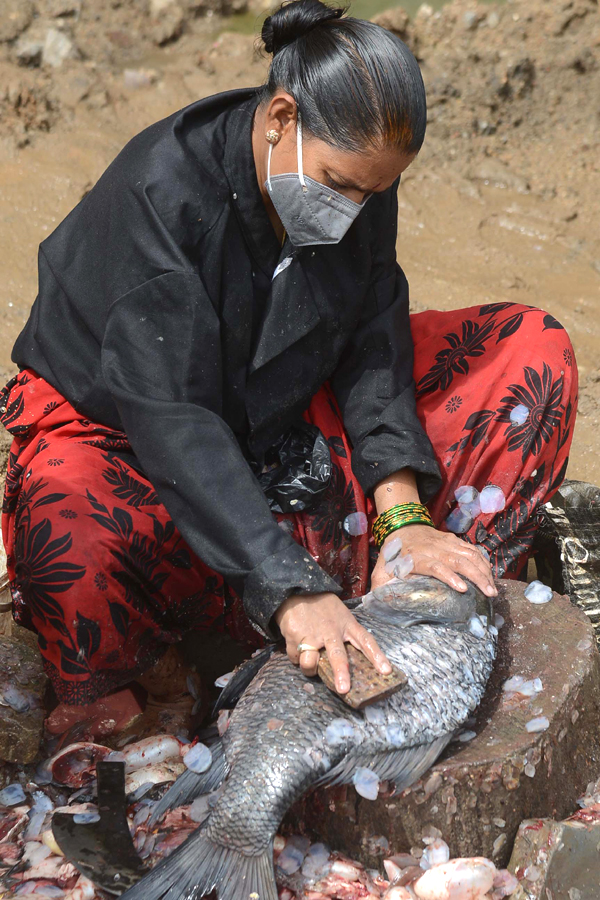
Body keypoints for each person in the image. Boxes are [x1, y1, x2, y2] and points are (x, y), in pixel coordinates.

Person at [0, 0, 577, 737]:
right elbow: (174, 419)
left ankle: (433, 590)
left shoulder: (359, 183)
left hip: (287, 405)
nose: (352, 212)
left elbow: (373, 331)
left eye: (373, 193)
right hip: (139, 439)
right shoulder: (162, 200)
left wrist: (402, 513)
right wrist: (290, 591)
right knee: (70, 521)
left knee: (528, 353)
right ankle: (133, 687)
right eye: (339, 185)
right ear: (278, 120)